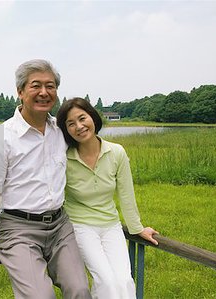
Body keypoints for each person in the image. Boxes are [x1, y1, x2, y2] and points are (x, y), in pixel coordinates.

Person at [0, 60, 91, 299]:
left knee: (80, 290)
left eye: (50, 86)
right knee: (40, 296)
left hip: (59, 226)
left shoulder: (61, 130)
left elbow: (93, 148)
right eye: (36, 86)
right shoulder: (3, 136)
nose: (44, 92)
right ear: (20, 91)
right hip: (18, 229)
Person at [56, 97, 159, 299]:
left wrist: (137, 228)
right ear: (66, 130)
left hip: (111, 225)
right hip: (81, 226)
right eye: (71, 123)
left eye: (82, 118)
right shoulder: (64, 157)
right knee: (106, 281)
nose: (79, 126)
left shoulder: (116, 152)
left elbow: (126, 194)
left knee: (124, 281)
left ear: (93, 117)